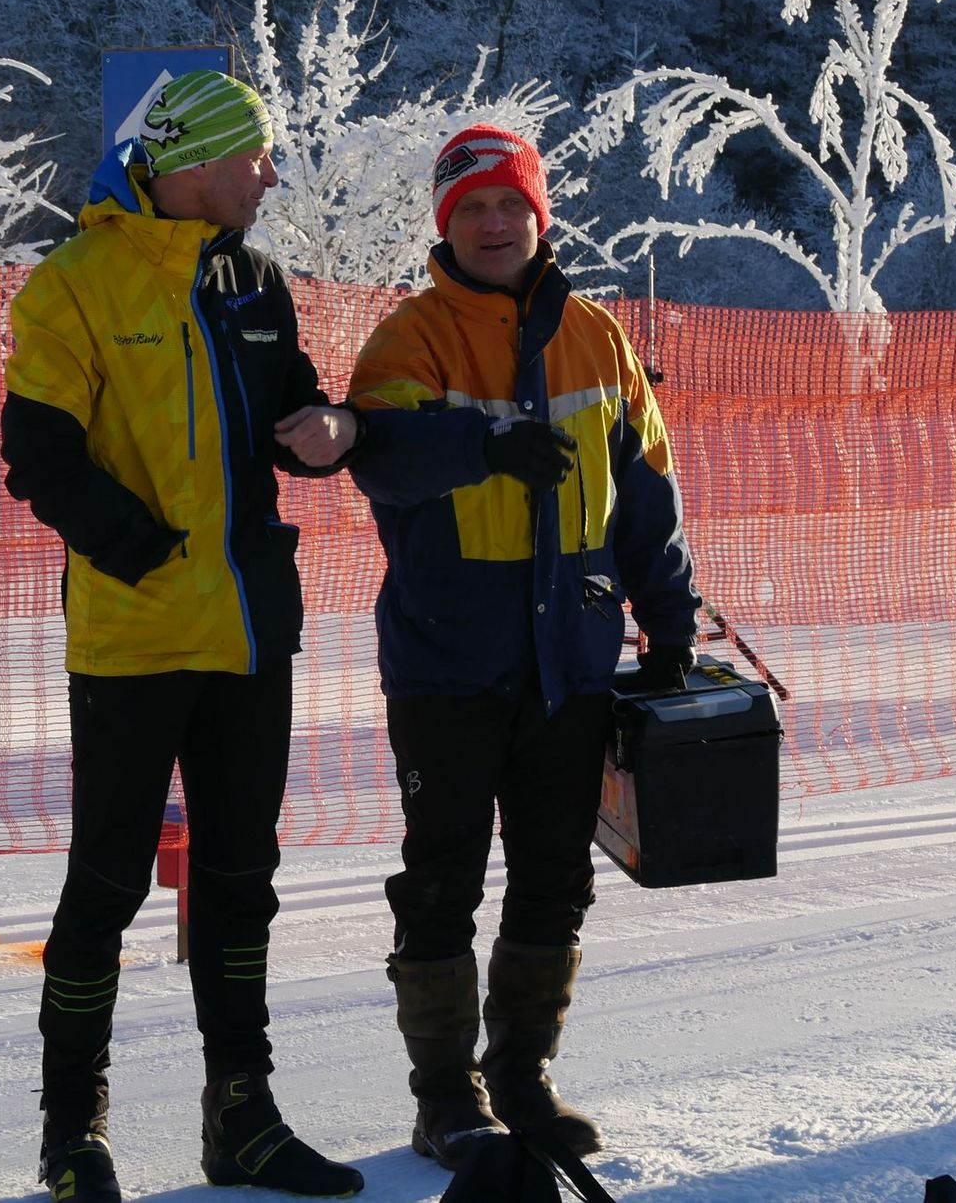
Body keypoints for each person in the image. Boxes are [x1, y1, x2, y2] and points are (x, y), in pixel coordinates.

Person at [2, 70, 366, 1203]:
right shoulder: (72, 285)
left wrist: (332, 429)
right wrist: (146, 550)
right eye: (256, 156)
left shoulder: (255, 280)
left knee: (241, 880)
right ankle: (73, 1134)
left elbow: (298, 411)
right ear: (199, 163)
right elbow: (39, 457)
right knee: (106, 886)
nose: (270, 175)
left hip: (248, 634)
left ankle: (242, 1120)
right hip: (135, 638)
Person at [344, 124, 701, 1169]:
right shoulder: (408, 340)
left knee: (554, 876)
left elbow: (648, 499)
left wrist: (669, 620)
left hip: (571, 659)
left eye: (511, 204)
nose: (494, 224)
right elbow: (380, 460)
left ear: (540, 216)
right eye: (471, 209)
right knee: (441, 878)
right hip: (446, 662)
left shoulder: (598, 338)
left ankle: (522, 1077)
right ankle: (445, 1098)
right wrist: (484, 445)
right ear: (444, 225)